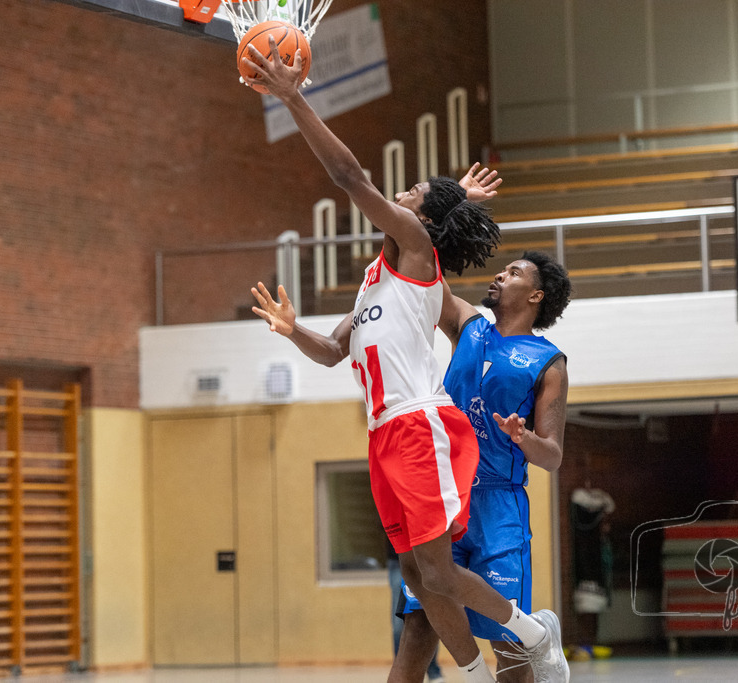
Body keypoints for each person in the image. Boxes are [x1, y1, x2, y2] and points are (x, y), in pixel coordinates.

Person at [243, 39, 569, 683]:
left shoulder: (418, 248)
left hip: (421, 425)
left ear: (420, 216)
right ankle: (475, 672)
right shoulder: (375, 278)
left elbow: (349, 178)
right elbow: (336, 352)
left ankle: (533, 634)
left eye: (415, 190)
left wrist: (291, 96)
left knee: (438, 572)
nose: (403, 191)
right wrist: (291, 331)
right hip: (382, 432)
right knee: (420, 576)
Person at [393, 252, 572, 683]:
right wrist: (449, 213)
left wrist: (524, 438)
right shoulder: (468, 327)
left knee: (509, 651)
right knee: (418, 628)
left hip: (500, 507)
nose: (499, 274)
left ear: (535, 294)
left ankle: (535, 638)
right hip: (445, 498)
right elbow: (424, 273)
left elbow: (553, 456)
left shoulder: (548, 362)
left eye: (513, 273)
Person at [388, 542, 445, 683]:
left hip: (426, 555)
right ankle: (403, 668)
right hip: (400, 557)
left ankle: (433, 671)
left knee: (426, 620)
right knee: (401, 625)